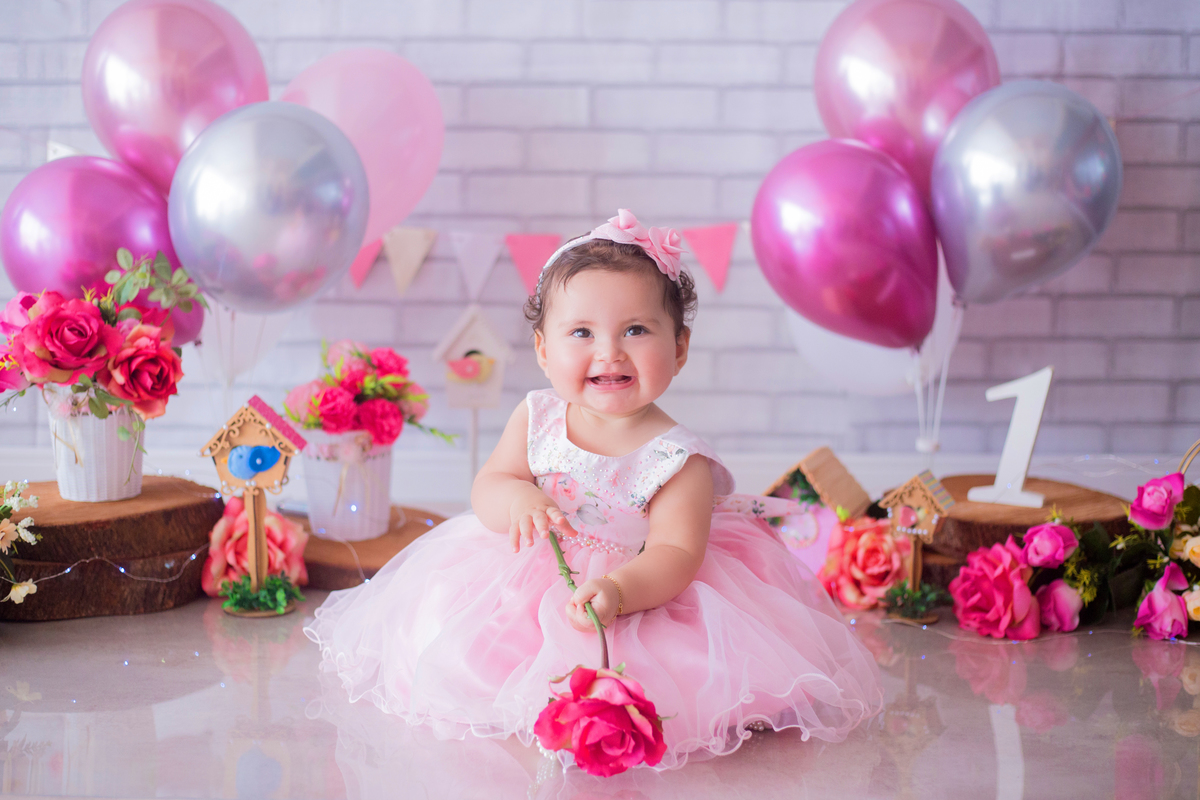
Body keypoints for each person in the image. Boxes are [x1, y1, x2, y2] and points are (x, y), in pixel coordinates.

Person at [305, 209, 883, 772]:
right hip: (532, 569)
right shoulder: (537, 416)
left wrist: (617, 589)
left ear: (679, 348)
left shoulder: (679, 459)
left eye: (636, 329)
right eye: (581, 332)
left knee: (678, 676)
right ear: (543, 350)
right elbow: (490, 487)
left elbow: (677, 555)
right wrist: (519, 499)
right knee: (458, 636)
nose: (609, 351)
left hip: (641, 583)